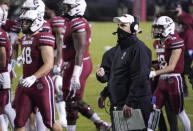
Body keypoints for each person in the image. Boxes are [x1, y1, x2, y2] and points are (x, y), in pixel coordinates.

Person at [58, 0, 111, 131]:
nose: (65, 8)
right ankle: (100, 124)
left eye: (68, 6)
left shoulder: (78, 23)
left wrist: (75, 74)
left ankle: (75, 128)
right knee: (70, 98)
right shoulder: (70, 21)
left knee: (71, 100)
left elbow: (80, 51)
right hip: (72, 62)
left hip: (79, 63)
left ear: (77, 8)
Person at [11, 8, 62, 131]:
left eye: (27, 22)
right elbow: (32, 55)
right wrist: (20, 58)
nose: (23, 25)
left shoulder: (43, 37)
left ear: (36, 22)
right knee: (19, 121)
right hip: (26, 84)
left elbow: (49, 64)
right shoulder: (24, 38)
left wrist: (33, 77)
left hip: (41, 84)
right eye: (22, 22)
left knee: (49, 122)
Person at [103, 14, 152, 131]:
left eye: (123, 25)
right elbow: (117, 75)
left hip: (134, 104)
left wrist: (130, 103)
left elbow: (139, 78)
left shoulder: (138, 48)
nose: (119, 28)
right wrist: (105, 92)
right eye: (118, 25)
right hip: (122, 103)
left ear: (134, 28)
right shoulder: (121, 48)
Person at [148, 16, 191, 131]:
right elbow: (161, 62)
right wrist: (149, 65)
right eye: (156, 28)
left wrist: (154, 73)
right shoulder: (157, 43)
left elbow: (171, 67)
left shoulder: (175, 42)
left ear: (168, 28)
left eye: (159, 28)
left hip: (174, 82)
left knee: (179, 112)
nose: (156, 31)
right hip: (161, 83)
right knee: (154, 107)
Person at [0, 1, 16, 130]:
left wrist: (11, 64)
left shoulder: (1, 33)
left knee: (4, 107)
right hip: (4, 71)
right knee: (4, 106)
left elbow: (3, 59)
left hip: (3, 72)